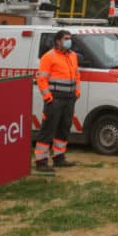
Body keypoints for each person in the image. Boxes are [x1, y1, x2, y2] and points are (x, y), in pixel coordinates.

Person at [34, 29, 82, 173]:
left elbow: (77, 74)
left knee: (64, 128)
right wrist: (48, 97)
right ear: (58, 41)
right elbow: (41, 79)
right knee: (48, 129)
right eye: (66, 38)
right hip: (55, 98)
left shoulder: (73, 56)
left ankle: (59, 158)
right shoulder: (48, 57)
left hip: (69, 98)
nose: (69, 41)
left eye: (70, 38)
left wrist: (77, 91)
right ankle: (41, 161)